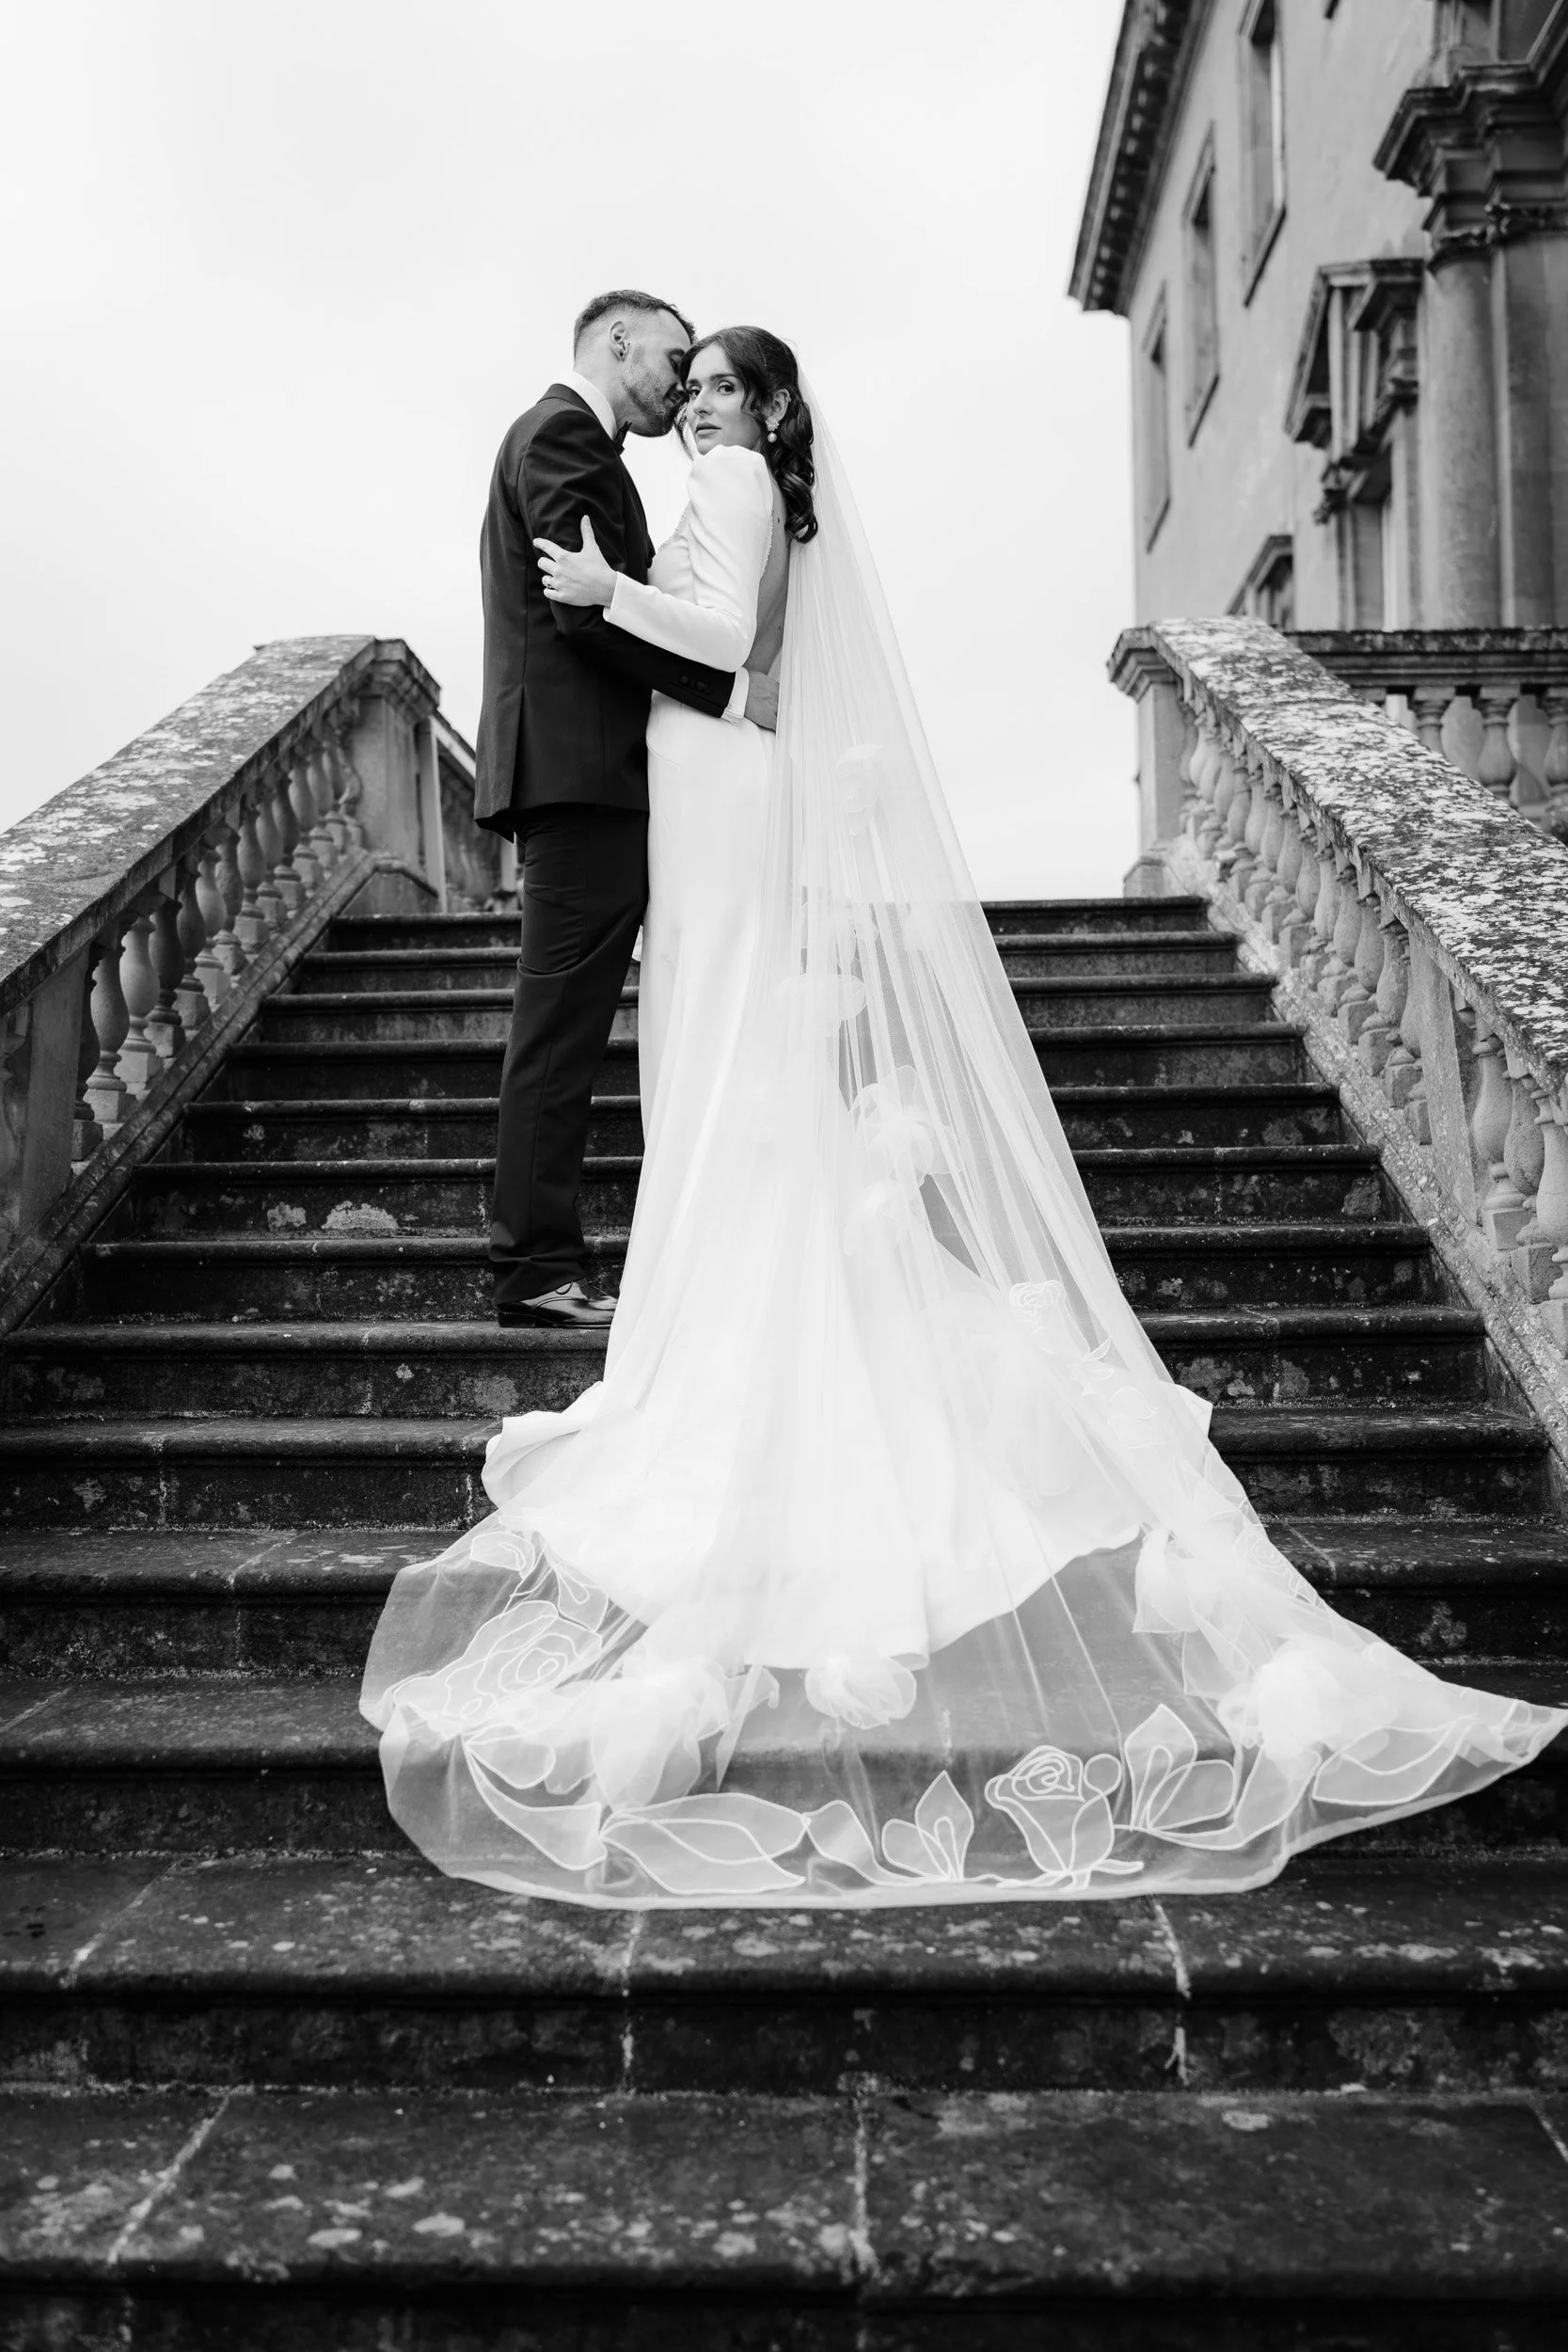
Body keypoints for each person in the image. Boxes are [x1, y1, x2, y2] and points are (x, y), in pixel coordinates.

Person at [362, 326, 1565, 1908]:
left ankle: (700, 1282)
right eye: (685, 379)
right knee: (705, 1056)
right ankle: (699, 1262)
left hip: (704, 774)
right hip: (712, 786)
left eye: (716, 382)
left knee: (710, 1056)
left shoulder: (717, 482)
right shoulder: (731, 480)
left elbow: (721, 644)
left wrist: (608, 600)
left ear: (760, 409)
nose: (694, 402)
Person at [472, 290, 778, 1327]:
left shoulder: (572, 445)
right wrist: (731, 694)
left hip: (593, 778)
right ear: (616, 339)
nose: (680, 383)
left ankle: (546, 1257)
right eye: (672, 357)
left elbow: (614, 602)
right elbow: (583, 613)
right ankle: (533, 1268)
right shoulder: (561, 436)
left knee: (568, 1022)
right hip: (580, 779)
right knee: (558, 1030)